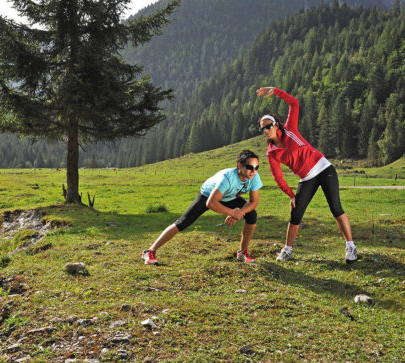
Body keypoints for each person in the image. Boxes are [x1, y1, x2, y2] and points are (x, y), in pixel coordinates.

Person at [256, 86, 358, 263]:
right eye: (263, 129)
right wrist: (290, 194)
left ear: (276, 124)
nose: (266, 130)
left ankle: (351, 247)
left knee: (336, 208)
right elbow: (278, 177)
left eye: (268, 126)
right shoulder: (271, 152)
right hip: (306, 178)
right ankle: (287, 250)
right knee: (295, 214)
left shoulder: (290, 130)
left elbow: (294, 103)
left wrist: (276, 91)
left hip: (324, 168)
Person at [141, 150, 263, 265]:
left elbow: (254, 202)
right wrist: (232, 212)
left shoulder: (254, 177)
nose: (253, 171)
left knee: (252, 214)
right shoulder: (227, 178)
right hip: (207, 195)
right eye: (249, 167)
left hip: (228, 196)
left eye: (256, 167)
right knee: (183, 222)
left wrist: (240, 212)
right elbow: (211, 203)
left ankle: (242, 253)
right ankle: (149, 252)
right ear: (239, 166)